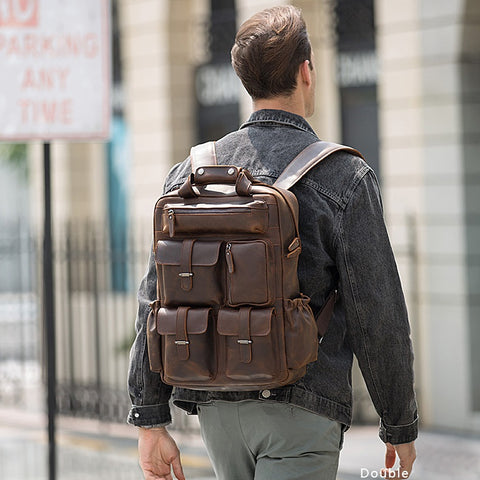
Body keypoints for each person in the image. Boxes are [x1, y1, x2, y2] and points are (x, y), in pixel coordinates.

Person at [127, 5, 418, 480]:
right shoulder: (342, 175)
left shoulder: (192, 174)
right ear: (307, 71)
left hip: (216, 407)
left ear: (246, 81)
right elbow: (379, 313)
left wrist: (150, 418)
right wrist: (399, 423)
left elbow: (156, 300)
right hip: (302, 408)